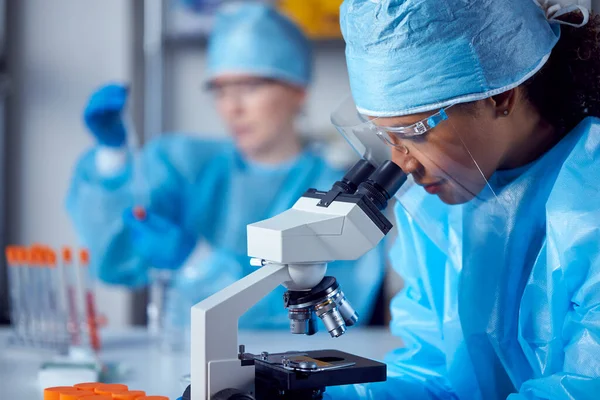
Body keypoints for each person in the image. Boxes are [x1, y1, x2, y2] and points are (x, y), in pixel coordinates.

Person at [325, 0, 600, 399]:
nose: (401, 164)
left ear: (500, 96)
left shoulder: (588, 204)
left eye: (414, 132)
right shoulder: (437, 207)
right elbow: (433, 372)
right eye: (386, 138)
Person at [66, 3, 386, 330]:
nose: (232, 107)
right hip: (181, 360)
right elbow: (115, 260)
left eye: (249, 87)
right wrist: (112, 158)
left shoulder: (340, 194)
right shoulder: (186, 167)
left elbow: (332, 318)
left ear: (298, 92)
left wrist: (196, 262)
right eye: (221, 89)